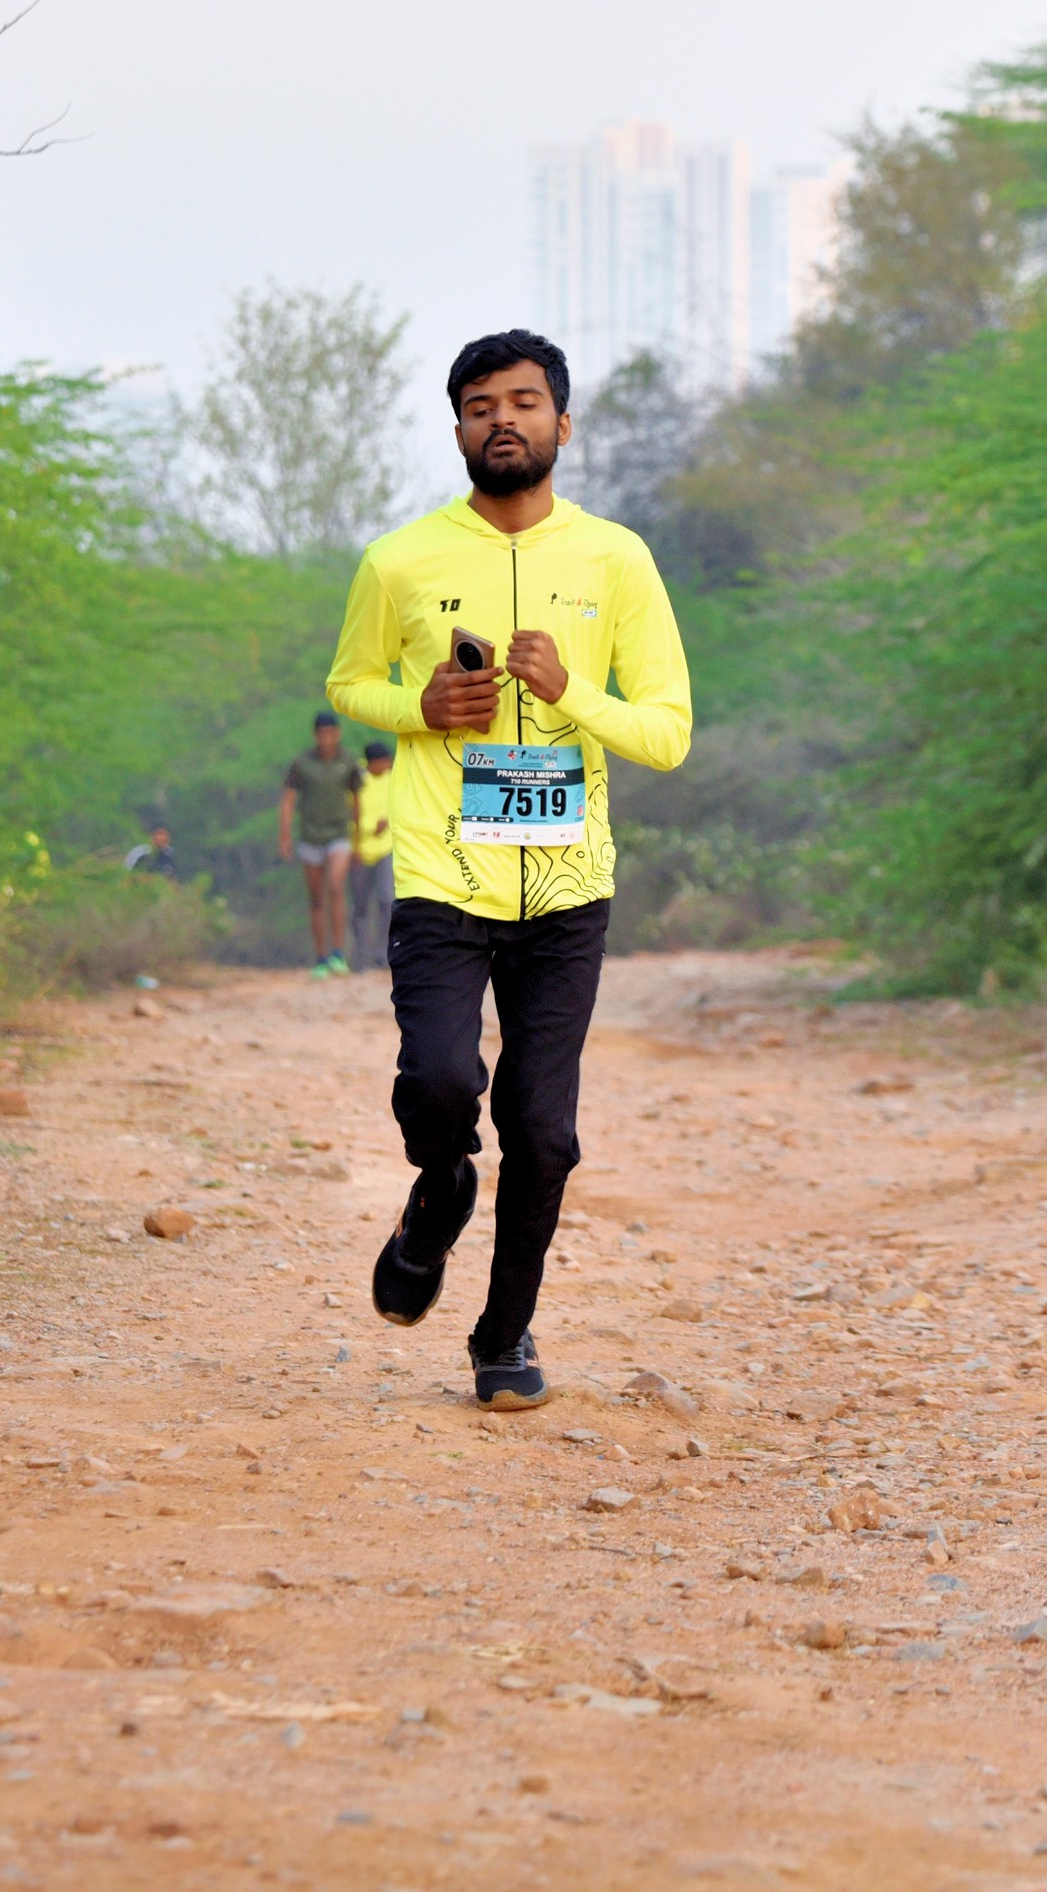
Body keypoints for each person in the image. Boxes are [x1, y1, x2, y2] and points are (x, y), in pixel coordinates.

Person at [328, 326, 691, 1409]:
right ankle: (439, 1188)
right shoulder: (399, 560)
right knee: (441, 1082)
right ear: (456, 431)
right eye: (480, 405)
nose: (503, 420)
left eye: (524, 401)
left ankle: (503, 1333)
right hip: (442, 874)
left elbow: (666, 732)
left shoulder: (616, 559)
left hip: (568, 888)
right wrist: (421, 705)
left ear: (561, 423)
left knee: (543, 1131)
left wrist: (573, 690)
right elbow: (349, 684)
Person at [278, 710, 359, 978]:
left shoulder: (348, 762)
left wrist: (358, 835)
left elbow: (357, 799)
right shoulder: (302, 763)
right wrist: (285, 834)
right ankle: (321, 956)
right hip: (310, 835)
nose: (326, 739)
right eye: (321, 734)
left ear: (338, 734)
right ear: (315, 735)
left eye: (330, 734)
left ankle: (339, 952)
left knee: (336, 886)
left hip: (339, 833)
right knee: (316, 898)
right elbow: (289, 799)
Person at [348, 740, 395, 972]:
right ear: (372, 762)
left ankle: (382, 953)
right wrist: (367, 829)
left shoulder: (391, 778)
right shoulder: (356, 780)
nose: (387, 765)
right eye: (383, 762)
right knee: (360, 905)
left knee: (387, 900)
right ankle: (360, 956)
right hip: (360, 849)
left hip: (386, 847)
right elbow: (349, 814)